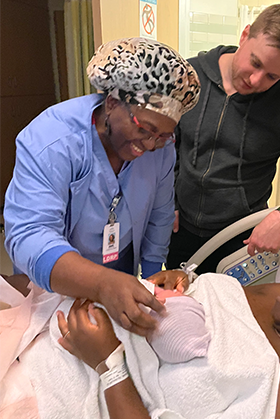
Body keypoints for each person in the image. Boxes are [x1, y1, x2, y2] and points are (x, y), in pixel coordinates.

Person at [3, 37, 200, 336]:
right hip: (56, 275)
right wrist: (101, 283)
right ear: (112, 103)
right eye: (144, 129)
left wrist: (150, 278)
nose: (149, 145)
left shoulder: (162, 149)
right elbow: (29, 235)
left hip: (118, 266)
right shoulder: (51, 141)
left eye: (162, 135)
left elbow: (160, 216)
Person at [51, 239, 280, 419]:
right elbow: (215, 297)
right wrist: (183, 283)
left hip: (85, 372)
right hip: (81, 317)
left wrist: (110, 365)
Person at [167, 4, 280, 274]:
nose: (256, 80)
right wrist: (167, 201)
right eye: (255, 63)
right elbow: (165, 146)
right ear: (245, 36)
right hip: (179, 230)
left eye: (272, 76)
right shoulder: (189, 76)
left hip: (243, 240)